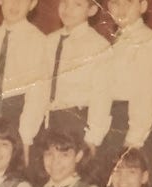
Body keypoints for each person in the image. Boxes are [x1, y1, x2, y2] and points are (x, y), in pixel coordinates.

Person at [98, 0, 152, 187]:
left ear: (143, 6)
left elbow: (147, 94)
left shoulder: (149, 40)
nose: (120, 9)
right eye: (114, 3)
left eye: (128, 3)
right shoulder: (116, 39)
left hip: (137, 124)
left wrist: (134, 141)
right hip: (116, 121)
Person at [41, 0, 111, 157]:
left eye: (77, 4)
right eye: (65, 2)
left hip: (77, 123)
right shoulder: (49, 41)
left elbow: (101, 97)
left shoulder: (98, 46)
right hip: (48, 120)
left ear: (92, 10)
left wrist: (93, 139)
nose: (68, 9)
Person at [0, 0, 47, 153]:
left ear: (32, 4)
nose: (15, 5)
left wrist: (25, 137)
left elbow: (37, 94)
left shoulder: (38, 40)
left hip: (20, 118)